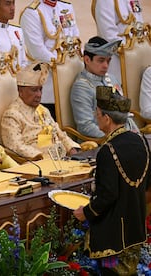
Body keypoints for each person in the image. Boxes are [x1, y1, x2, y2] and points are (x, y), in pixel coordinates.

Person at [74, 86, 150, 275]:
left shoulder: (108, 151)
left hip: (113, 235)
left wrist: (86, 212)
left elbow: (107, 195)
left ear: (106, 118)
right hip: (136, 229)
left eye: (97, 113)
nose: (95, 115)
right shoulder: (141, 141)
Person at [1, 62, 80, 160]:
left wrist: (71, 148)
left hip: (62, 158)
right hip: (39, 163)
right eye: (34, 90)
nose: (39, 95)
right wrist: (43, 157)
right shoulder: (12, 115)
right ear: (20, 91)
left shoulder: (43, 110)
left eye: (40, 90)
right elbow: (16, 147)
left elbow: (60, 134)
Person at [20, 0, 80, 118]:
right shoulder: (32, 12)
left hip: (71, 77)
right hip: (49, 84)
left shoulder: (66, 7)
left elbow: (75, 37)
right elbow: (37, 50)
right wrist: (63, 64)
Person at [70, 36, 138, 138]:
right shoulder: (81, 87)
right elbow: (86, 126)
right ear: (87, 60)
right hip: (99, 142)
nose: (106, 66)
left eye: (108, 61)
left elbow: (124, 114)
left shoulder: (112, 78)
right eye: (101, 61)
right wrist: (116, 138)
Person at [93, 0, 144, 83]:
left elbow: (140, 26)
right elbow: (109, 37)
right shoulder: (104, 1)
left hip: (137, 59)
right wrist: (132, 53)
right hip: (116, 62)